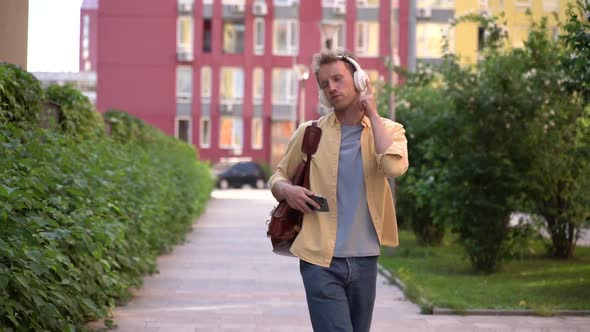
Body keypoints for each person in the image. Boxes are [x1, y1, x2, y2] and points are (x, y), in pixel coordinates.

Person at [268, 50, 409, 332]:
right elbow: (278, 177)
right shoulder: (310, 132)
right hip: (319, 259)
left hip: (365, 258)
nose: (331, 87)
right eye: (324, 83)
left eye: (338, 79)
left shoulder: (390, 130)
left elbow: (394, 168)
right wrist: (288, 191)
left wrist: (374, 115)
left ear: (359, 80)